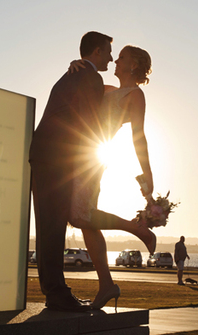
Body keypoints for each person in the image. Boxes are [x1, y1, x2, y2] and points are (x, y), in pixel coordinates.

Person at [28, 31, 113, 312]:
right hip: (56, 157)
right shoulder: (90, 76)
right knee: (53, 227)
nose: (111, 58)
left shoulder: (73, 74)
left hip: (44, 155)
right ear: (97, 52)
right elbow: (89, 121)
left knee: (48, 226)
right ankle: (57, 294)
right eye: (108, 52)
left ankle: (54, 292)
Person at [68, 45, 157, 311]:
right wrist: (77, 65)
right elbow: (82, 88)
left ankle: (136, 228)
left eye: (121, 58)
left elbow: (138, 136)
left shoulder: (135, 95)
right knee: (86, 220)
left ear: (133, 65)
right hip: (83, 155)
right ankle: (106, 284)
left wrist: (147, 172)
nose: (115, 60)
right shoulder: (108, 89)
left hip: (91, 160)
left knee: (78, 216)